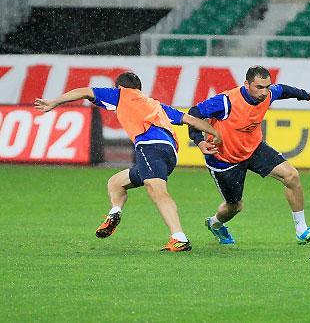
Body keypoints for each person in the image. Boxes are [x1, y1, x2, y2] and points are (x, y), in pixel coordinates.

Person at [33, 71, 221, 252]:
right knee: (115, 183)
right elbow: (191, 120)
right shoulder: (156, 105)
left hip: (150, 147)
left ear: (119, 87)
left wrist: (54, 102)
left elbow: (84, 91)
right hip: (169, 153)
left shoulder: (121, 94)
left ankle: (179, 238)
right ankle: (114, 212)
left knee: (157, 191)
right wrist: (213, 134)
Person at [188, 65, 310, 245]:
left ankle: (302, 230)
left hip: (254, 148)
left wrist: (307, 96)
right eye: (259, 87)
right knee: (234, 206)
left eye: (267, 87)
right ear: (246, 84)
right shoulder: (226, 101)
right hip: (224, 159)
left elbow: (283, 90)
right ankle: (215, 224)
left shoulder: (268, 94)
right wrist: (199, 141)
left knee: (292, 176)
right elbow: (194, 114)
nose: (264, 92)